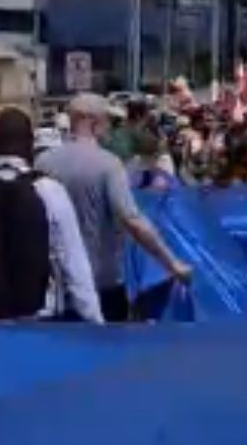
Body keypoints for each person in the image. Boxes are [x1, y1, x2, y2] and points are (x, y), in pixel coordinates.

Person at [36, 92, 192, 322]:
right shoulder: (108, 164)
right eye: (107, 120)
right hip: (102, 285)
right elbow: (132, 220)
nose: (110, 126)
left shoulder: (43, 162)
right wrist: (172, 263)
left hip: (54, 287)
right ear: (92, 121)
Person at [0, 109, 102, 323]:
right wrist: (97, 323)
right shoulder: (50, 191)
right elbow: (75, 266)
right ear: (30, 144)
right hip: (39, 324)